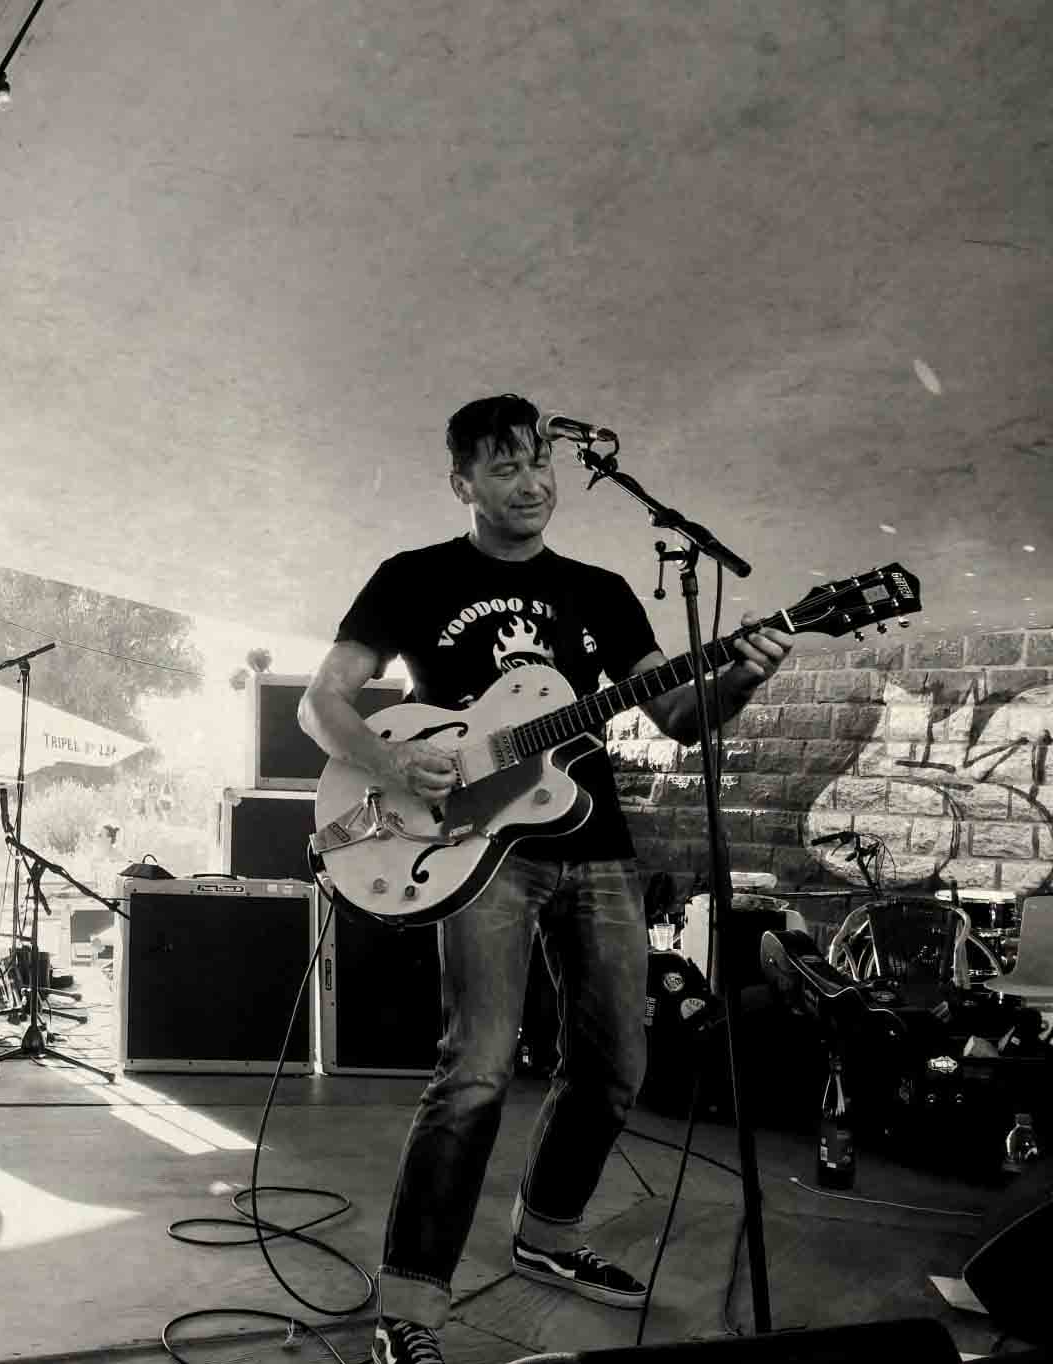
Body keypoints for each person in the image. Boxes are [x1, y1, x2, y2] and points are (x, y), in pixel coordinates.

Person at [297, 394, 792, 1364]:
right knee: (475, 1072)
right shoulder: (413, 577)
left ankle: (548, 1230)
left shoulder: (599, 590)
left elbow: (680, 716)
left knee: (615, 1066)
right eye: (502, 467)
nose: (529, 484)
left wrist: (742, 675)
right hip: (473, 845)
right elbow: (322, 703)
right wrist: (393, 763)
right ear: (462, 482)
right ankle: (409, 1307)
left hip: (594, 841)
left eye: (538, 463)